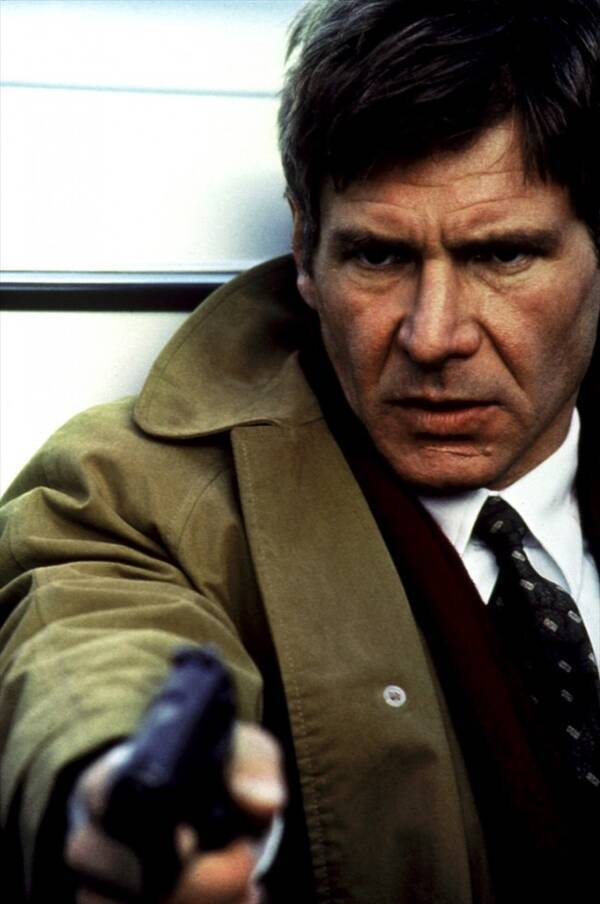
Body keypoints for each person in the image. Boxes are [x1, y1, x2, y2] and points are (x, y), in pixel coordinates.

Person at [1, 0, 599, 901]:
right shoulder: (134, 490)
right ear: (305, 250)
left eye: (503, 256)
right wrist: (128, 788)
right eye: (379, 258)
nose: (433, 335)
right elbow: (90, 640)